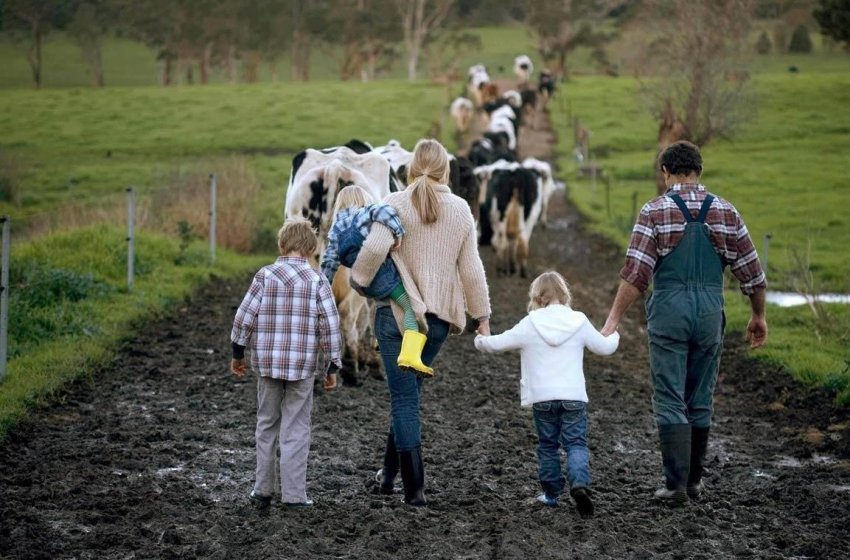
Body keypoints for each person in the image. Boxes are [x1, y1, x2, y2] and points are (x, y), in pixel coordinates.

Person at [600, 140, 768, 504]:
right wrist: (758, 315)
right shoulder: (726, 211)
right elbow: (753, 274)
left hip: (670, 311)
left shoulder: (654, 211)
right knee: (700, 396)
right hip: (710, 311)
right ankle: (693, 482)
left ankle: (675, 485)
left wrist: (613, 319)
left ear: (665, 172)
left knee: (670, 394)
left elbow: (636, 275)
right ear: (699, 172)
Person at [350, 138, 491, 507]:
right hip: (438, 322)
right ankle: (387, 477)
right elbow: (471, 269)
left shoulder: (394, 203)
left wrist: (359, 280)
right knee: (408, 396)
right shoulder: (460, 210)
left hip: (397, 318)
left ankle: (415, 491)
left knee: (403, 400)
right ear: (446, 170)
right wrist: (483, 316)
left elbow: (374, 249)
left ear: (410, 169)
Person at [474, 271, 619, 517]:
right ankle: (580, 485)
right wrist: (614, 333)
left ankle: (551, 495)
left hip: (542, 399)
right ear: (564, 295)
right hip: (573, 397)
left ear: (538, 297)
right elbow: (604, 348)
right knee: (576, 444)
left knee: (548, 446)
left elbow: (495, 343)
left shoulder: (530, 323)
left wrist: (481, 338)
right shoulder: (579, 320)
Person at [230, 217, 343, 509]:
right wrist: (333, 364)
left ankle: (262, 490)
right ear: (311, 249)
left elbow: (244, 316)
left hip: (267, 365)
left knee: (266, 423)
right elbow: (330, 325)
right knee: (296, 427)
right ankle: (294, 495)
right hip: (302, 368)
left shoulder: (264, 276)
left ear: (282, 244)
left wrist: (237, 351)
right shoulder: (318, 280)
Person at [321, 185, 432, 376]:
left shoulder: (336, 228)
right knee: (409, 307)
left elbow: (329, 261)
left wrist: (323, 286)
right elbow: (385, 211)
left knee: (380, 304)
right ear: (363, 199)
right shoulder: (364, 213)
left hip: (363, 283)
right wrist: (398, 234)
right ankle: (411, 355)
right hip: (382, 274)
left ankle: (378, 340)